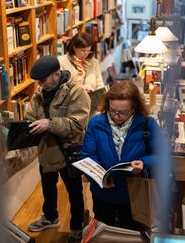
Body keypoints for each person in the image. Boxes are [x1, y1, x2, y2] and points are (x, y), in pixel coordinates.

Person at [80, 81, 169, 230]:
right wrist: (99, 176)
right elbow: (87, 155)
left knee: (131, 233)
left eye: (123, 112)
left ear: (134, 107)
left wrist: (143, 163)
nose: (116, 116)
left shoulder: (147, 124)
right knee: (103, 232)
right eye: (112, 110)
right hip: (103, 193)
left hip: (134, 195)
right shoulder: (96, 123)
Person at [25, 55, 91, 243]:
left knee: (75, 192)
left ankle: (77, 227)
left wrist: (49, 124)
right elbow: (30, 116)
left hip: (68, 151)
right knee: (48, 187)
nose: (40, 84)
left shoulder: (76, 92)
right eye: (38, 81)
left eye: (44, 80)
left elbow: (77, 124)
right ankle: (51, 217)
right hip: (46, 150)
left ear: (57, 73)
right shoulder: (39, 94)